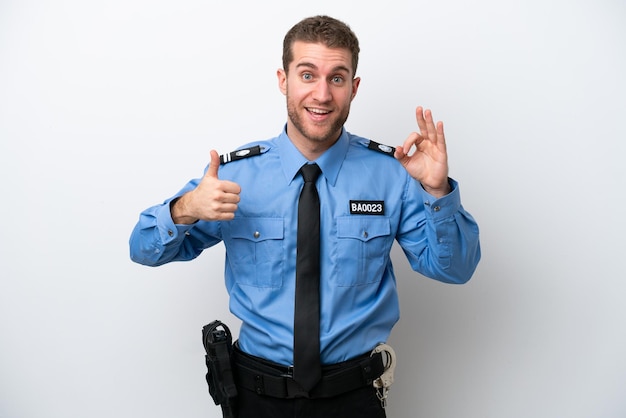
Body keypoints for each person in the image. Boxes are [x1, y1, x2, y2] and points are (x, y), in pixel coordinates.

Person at [129, 15, 480, 418]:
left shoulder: (392, 174)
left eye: (337, 78)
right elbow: (142, 248)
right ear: (283, 80)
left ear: (354, 87)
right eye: (307, 74)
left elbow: (455, 270)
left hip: (354, 398)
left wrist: (437, 192)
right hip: (254, 397)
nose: (322, 94)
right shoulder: (234, 175)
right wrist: (186, 208)